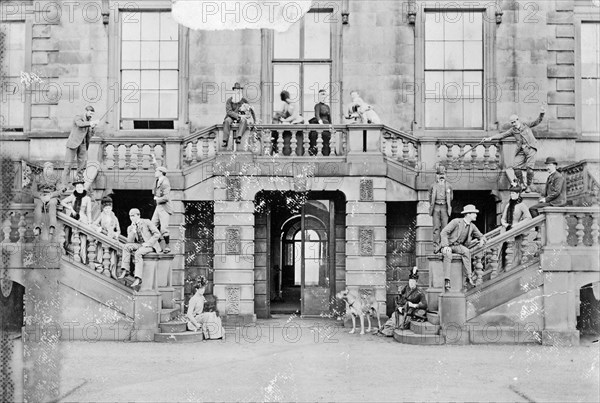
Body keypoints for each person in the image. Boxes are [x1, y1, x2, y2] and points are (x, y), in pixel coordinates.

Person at [483, 106, 545, 193]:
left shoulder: (526, 125)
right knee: (515, 167)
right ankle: (522, 184)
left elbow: (537, 121)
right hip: (521, 150)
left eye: (514, 122)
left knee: (529, 169)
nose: (513, 124)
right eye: (512, 123)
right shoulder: (513, 130)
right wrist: (490, 138)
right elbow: (502, 135)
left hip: (531, 148)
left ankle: (528, 185)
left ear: (518, 120)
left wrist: (542, 113)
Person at [440, 204, 486, 291]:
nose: (476, 215)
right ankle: (447, 280)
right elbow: (444, 232)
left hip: (458, 246)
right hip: (448, 245)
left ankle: (469, 277)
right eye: (474, 213)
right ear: (468, 214)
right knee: (448, 254)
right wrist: (445, 246)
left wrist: (482, 240)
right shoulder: (456, 222)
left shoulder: (472, 226)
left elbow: (481, 235)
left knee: (467, 252)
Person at [118, 208, 162, 288]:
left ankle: (138, 278)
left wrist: (148, 243)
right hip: (140, 244)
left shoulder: (146, 222)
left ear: (138, 215)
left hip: (151, 245)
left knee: (138, 253)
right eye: (130, 216)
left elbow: (157, 234)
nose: (131, 218)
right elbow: (129, 241)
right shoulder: (130, 227)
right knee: (126, 247)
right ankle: (125, 270)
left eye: (133, 216)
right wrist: (133, 231)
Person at [380, 267, 428, 336]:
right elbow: (400, 298)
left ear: (416, 282)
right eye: (410, 281)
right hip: (401, 310)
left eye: (413, 282)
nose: (411, 283)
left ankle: (389, 331)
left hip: (409, 313)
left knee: (396, 324)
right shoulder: (406, 288)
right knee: (390, 321)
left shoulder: (420, 292)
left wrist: (415, 305)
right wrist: (399, 306)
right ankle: (386, 329)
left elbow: (424, 304)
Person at [62, 106, 99, 186]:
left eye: (92, 114)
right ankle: (64, 185)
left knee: (82, 165)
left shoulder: (89, 121)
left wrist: (93, 127)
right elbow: (80, 124)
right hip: (73, 144)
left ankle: (79, 182)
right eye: (90, 113)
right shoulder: (78, 117)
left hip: (83, 144)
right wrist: (90, 123)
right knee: (68, 165)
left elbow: (90, 134)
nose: (91, 115)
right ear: (86, 111)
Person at [61, 177, 93, 263]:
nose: (79, 188)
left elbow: (89, 212)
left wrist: (89, 222)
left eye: (81, 187)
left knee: (83, 238)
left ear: (83, 187)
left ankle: (83, 258)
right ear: (75, 188)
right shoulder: (73, 196)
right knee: (71, 237)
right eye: (77, 187)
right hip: (73, 218)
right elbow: (62, 202)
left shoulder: (87, 199)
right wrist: (70, 208)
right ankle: (73, 255)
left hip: (83, 219)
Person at [499, 186, 532, 269]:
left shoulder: (522, 205)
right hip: (508, 230)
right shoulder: (508, 205)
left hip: (517, 231)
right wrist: (505, 224)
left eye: (513, 193)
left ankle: (514, 268)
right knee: (507, 250)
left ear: (518, 194)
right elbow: (502, 219)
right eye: (511, 193)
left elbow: (528, 218)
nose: (511, 195)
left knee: (515, 251)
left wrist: (517, 224)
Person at [31, 162, 62, 237]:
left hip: (51, 196)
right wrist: (41, 196)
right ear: (43, 169)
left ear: (52, 170)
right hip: (40, 196)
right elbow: (33, 191)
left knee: (52, 204)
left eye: (50, 168)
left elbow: (59, 191)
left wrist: (51, 195)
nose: (48, 170)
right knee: (38, 205)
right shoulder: (37, 178)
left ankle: (52, 227)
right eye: (47, 168)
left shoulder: (56, 178)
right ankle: (37, 227)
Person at [92, 196, 120, 275]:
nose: (108, 210)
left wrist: (116, 234)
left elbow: (118, 230)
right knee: (101, 254)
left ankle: (111, 270)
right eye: (106, 208)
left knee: (111, 256)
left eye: (109, 208)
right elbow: (94, 224)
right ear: (103, 208)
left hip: (111, 239)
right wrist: (99, 228)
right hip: (103, 239)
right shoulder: (101, 215)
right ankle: (100, 268)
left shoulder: (114, 217)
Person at [428, 165, 453, 252]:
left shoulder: (449, 186)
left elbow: (451, 197)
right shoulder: (433, 186)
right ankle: (436, 246)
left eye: (443, 174)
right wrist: (433, 205)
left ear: (445, 175)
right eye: (439, 174)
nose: (441, 176)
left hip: (444, 207)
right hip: (436, 207)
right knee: (436, 228)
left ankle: (444, 246)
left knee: (445, 227)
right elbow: (430, 197)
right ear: (437, 175)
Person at [223, 82, 252, 148]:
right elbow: (229, 112)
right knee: (227, 121)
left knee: (244, 121)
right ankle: (225, 141)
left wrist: (245, 114)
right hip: (231, 117)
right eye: (236, 90)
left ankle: (239, 137)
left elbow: (249, 112)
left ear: (240, 91)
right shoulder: (229, 100)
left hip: (241, 118)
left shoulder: (244, 100)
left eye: (238, 90)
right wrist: (238, 116)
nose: (237, 91)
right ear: (233, 91)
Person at [152, 165, 172, 253]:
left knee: (164, 229)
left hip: (164, 207)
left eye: (156, 171)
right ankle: (157, 244)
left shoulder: (165, 182)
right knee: (152, 226)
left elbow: (166, 197)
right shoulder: (158, 180)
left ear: (161, 173)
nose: (155, 172)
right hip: (159, 206)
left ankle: (167, 246)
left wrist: (157, 199)